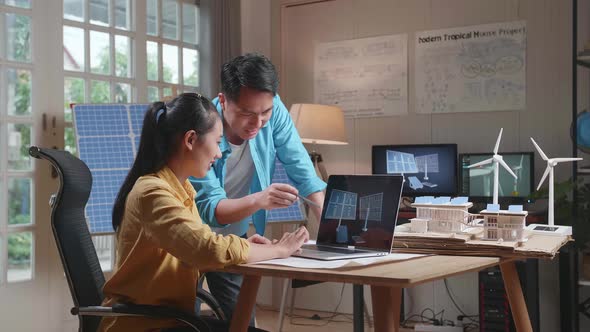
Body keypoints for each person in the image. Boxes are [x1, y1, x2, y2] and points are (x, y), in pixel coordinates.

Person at [98, 93, 309, 332]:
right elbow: (206, 249)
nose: (219, 154)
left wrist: (250, 247)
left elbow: (193, 248)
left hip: (171, 321)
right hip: (146, 326)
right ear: (190, 139)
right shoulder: (152, 192)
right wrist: (278, 250)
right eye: (217, 142)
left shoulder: (180, 190)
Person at [190, 53, 326, 325]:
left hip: (233, 240)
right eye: (247, 114)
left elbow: (301, 167)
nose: (258, 123)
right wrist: (260, 199)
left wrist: (329, 223)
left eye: (266, 112)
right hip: (188, 240)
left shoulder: (273, 111)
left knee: (242, 322)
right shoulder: (199, 128)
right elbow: (211, 209)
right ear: (224, 100)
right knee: (182, 321)